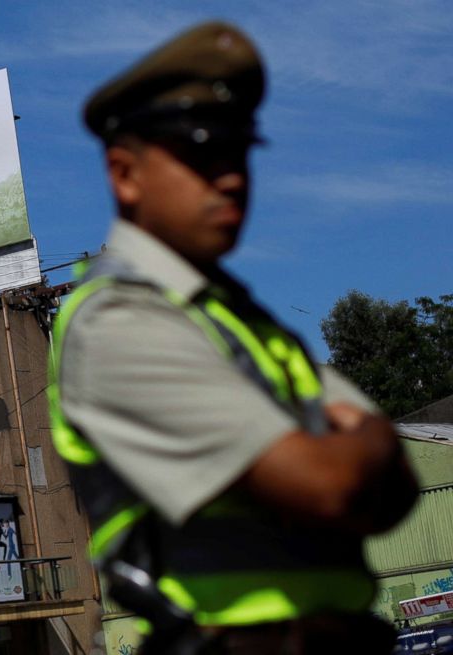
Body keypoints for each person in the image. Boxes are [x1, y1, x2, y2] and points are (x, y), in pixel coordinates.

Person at [48, 21, 419, 655]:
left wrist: (361, 457)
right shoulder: (119, 322)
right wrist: (368, 439)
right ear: (125, 174)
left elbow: (398, 493)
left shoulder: (241, 322)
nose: (231, 178)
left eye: (239, 151)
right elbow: (335, 485)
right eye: (200, 152)